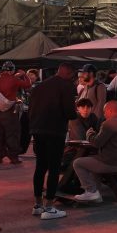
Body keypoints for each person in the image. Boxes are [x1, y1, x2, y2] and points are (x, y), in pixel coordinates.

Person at [28, 63, 78, 220]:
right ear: (69, 73)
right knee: (54, 168)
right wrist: (75, 113)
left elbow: (31, 109)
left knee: (40, 166)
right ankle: (49, 206)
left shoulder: (39, 86)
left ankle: (38, 204)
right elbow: (70, 112)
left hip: (37, 130)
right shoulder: (66, 86)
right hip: (55, 131)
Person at [72, 101, 117, 204]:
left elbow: (96, 143)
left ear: (110, 111)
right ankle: (96, 194)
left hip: (110, 162)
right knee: (93, 162)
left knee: (78, 163)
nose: (104, 115)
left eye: (104, 112)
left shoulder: (109, 123)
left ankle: (91, 191)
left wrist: (89, 134)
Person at [0, 61, 33, 165]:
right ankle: (13, 157)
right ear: (12, 70)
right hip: (9, 111)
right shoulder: (14, 80)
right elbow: (28, 85)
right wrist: (24, 75)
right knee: (12, 134)